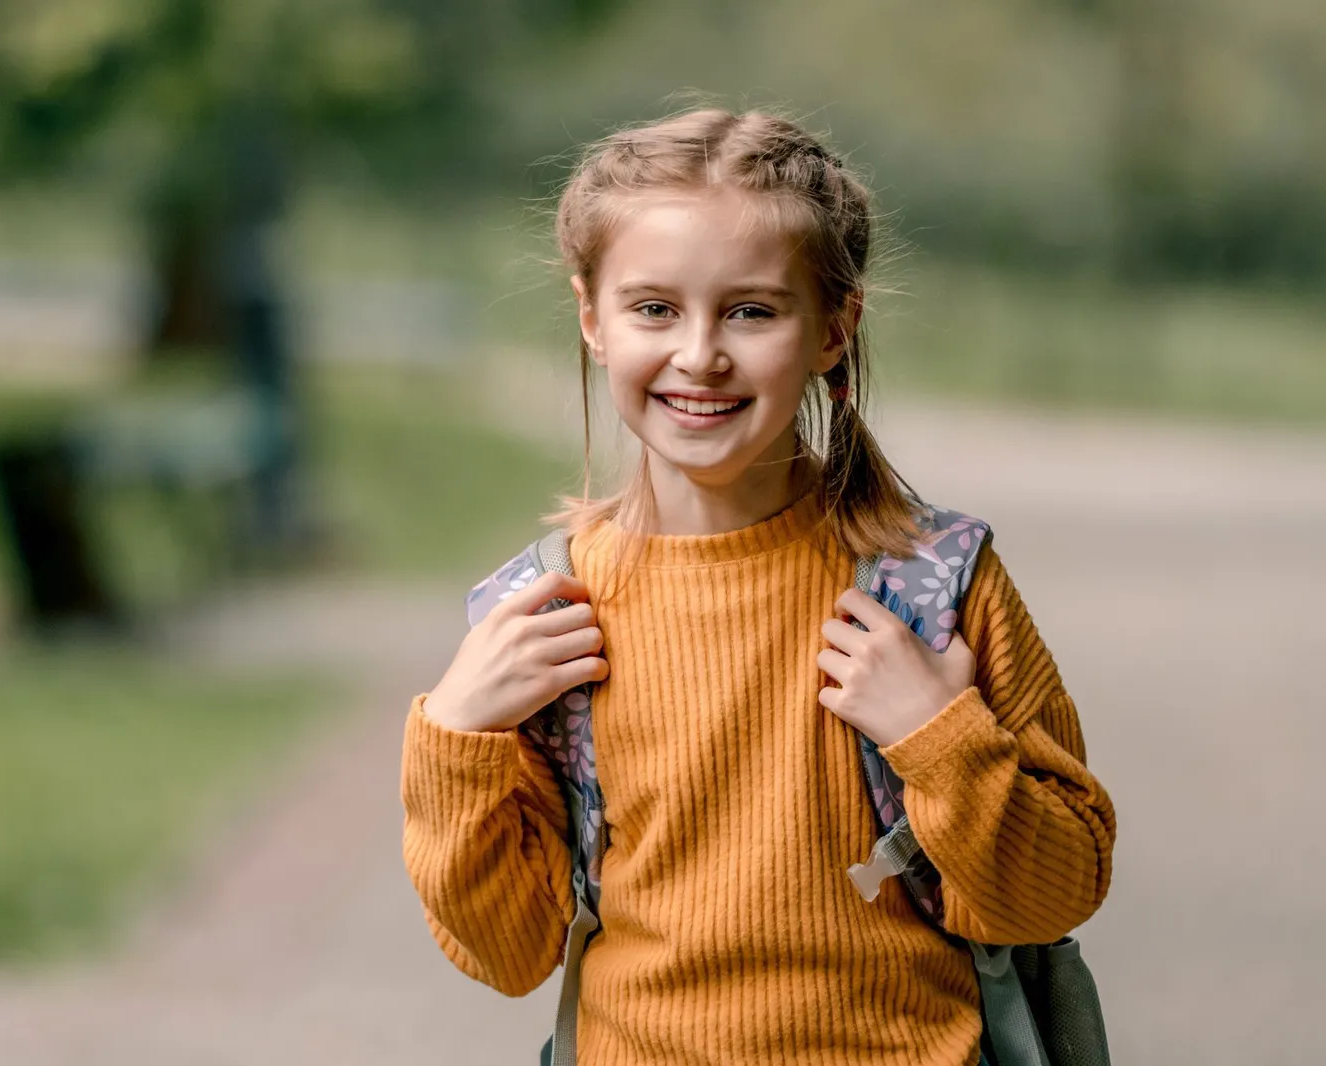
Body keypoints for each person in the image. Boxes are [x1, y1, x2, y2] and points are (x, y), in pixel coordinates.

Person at [400, 107, 1117, 1066]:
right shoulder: (544, 617)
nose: (700, 354)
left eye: (751, 310)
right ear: (592, 319)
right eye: (654, 308)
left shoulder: (934, 587)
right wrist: (453, 743)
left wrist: (942, 742)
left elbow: (1055, 894)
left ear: (833, 327)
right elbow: (506, 952)